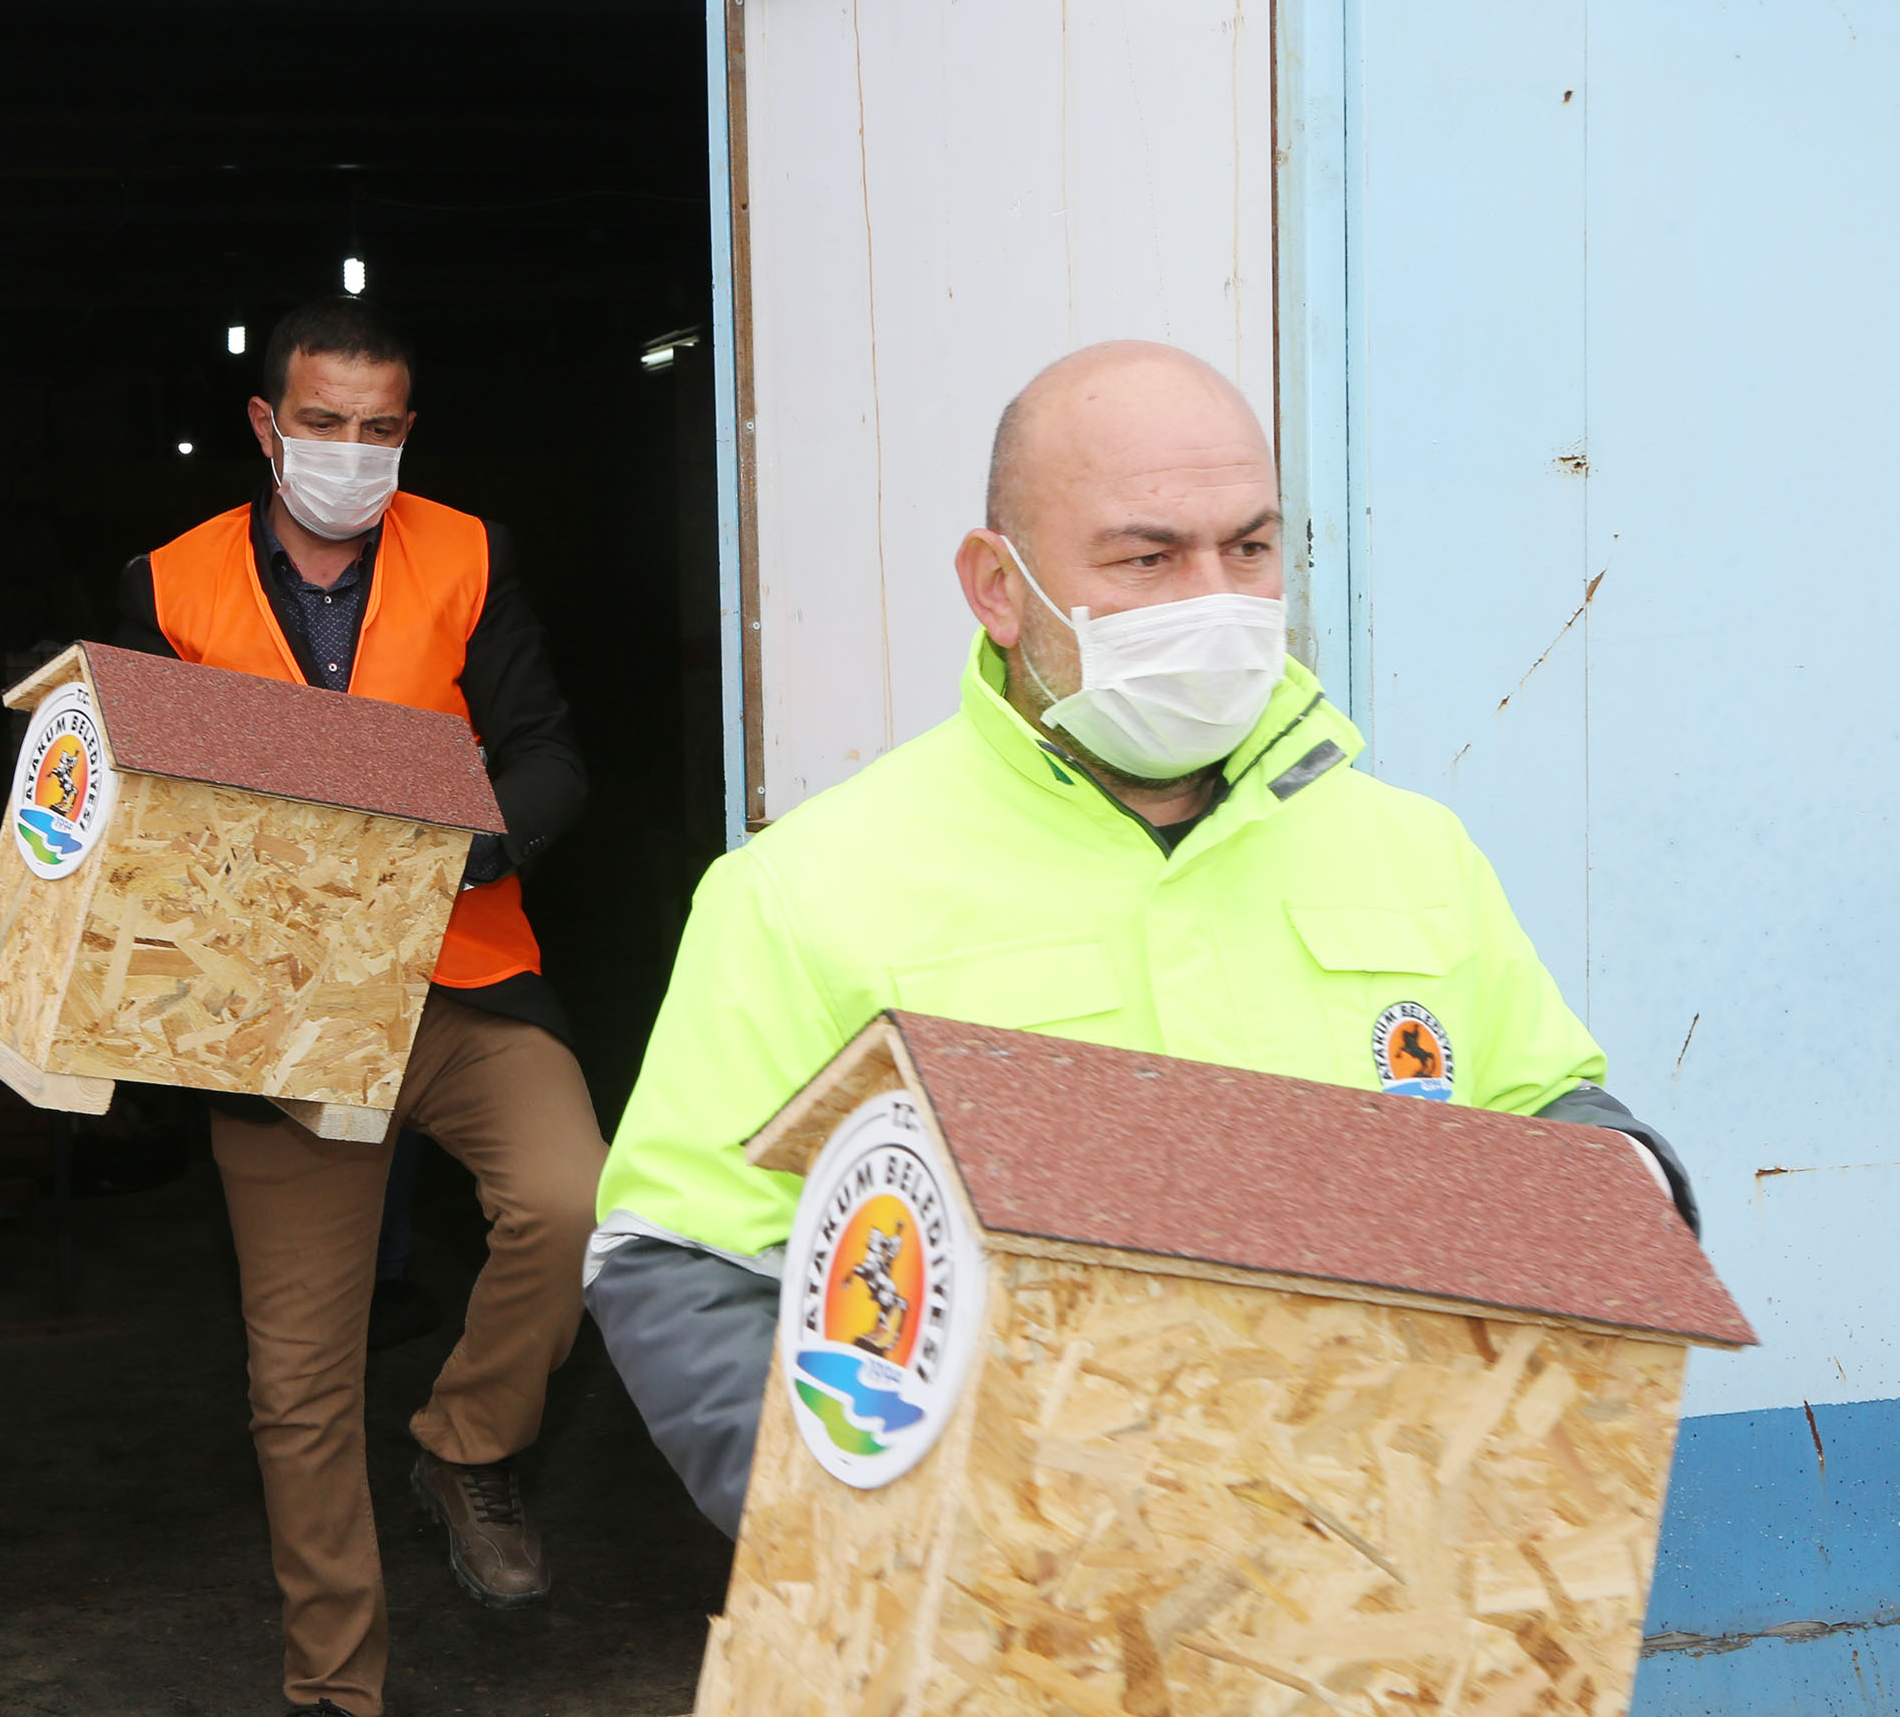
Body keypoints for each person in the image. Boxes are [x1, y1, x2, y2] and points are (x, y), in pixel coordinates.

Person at [584, 340, 1694, 1537]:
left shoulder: (1413, 852)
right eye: (1149, 555)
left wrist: (1624, 1193)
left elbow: (1558, 1112)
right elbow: (677, 1257)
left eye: (1250, 547)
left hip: (1377, 1581)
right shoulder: (807, 888)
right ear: (998, 586)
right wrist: (875, 1539)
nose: (1214, 598)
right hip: (1024, 1610)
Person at [115, 296, 603, 1717]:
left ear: (406, 431)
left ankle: (466, 1437)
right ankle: (334, 1689)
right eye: (320, 423)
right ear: (266, 424)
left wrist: (465, 844)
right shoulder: (168, 582)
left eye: (377, 428)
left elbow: (548, 752)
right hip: (275, 1017)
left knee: (570, 1199)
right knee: (301, 1383)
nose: (349, 449)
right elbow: (139, 808)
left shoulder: (466, 552)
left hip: (460, 971)